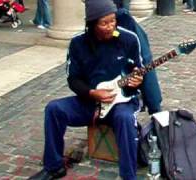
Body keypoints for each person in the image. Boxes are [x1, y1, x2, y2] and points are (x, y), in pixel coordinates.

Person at [28, 0, 147, 179]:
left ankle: (129, 176)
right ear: (91, 24)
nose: (110, 26)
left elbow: (137, 69)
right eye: (104, 23)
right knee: (54, 109)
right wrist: (91, 93)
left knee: (125, 118)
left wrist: (137, 79)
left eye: (113, 21)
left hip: (121, 102)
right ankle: (54, 166)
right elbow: (73, 79)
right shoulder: (78, 43)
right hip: (90, 102)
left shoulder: (129, 39)